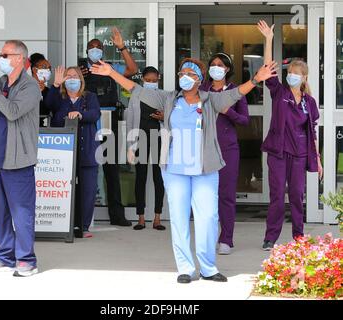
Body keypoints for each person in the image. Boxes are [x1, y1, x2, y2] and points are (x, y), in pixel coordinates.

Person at [90, 55, 277, 283]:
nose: (184, 78)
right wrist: (111, 73)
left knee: (208, 217)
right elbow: (136, 89)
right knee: (179, 219)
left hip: (205, 169)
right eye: (181, 74)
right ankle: (186, 269)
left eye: (189, 74)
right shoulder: (168, 99)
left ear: (199, 79)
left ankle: (208, 268)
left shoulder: (210, 100)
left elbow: (235, 94)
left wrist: (256, 78)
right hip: (175, 169)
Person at [0, 40, 40, 277]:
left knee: (22, 212)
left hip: (18, 161)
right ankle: (5, 255)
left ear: (20, 58)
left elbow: (12, 112)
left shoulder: (30, 87)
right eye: (0, 54)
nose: (0, 58)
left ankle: (26, 260)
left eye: (5, 54)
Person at [257, 20, 323, 251]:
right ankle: (270, 237)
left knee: (296, 195)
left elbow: (312, 130)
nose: (292, 76)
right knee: (277, 196)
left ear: (304, 77)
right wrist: (268, 40)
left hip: (299, 154)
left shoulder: (309, 102)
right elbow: (267, 69)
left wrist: (318, 159)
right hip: (278, 152)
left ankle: (299, 237)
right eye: (290, 72)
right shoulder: (279, 92)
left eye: (297, 74)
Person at [80, 27, 138, 227]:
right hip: (87, 120)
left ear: (103, 51)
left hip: (108, 117)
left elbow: (132, 70)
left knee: (111, 168)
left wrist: (121, 47)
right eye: (91, 48)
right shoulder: (80, 70)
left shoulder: (110, 68)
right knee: (86, 166)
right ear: (86, 51)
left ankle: (117, 214)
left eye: (98, 48)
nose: (95, 50)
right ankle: (82, 215)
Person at [200, 53, 250, 255]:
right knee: (205, 196)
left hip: (228, 149)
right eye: (212, 65)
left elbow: (245, 120)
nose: (215, 68)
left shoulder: (236, 91)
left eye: (220, 65)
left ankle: (226, 238)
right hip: (204, 148)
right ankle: (209, 237)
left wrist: (228, 111)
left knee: (226, 195)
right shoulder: (202, 89)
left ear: (227, 69)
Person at [45, 66, 101, 238]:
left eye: (75, 76)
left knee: (88, 189)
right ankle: (62, 225)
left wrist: (80, 113)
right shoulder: (58, 97)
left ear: (81, 80)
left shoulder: (89, 97)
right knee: (63, 189)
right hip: (63, 153)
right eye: (68, 76)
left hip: (87, 150)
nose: (71, 79)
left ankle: (84, 227)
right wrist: (55, 85)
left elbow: (95, 113)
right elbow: (47, 106)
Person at [126, 66, 165, 231]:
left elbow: (172, 118)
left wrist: (163, 117)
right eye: (148, 80)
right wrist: (130, 146)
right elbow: (129, 121)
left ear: (159, 79)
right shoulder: (136, 95)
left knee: (158, 178)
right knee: (140, 177)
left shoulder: (163, 96)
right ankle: (140, 218)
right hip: (140, 138)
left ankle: (157, 218)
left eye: (154, 80)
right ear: (142, 79)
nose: (151, 83)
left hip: (159, 139)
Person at [30, 53, 52, 127]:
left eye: (49, 68)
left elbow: (47, 111)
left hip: (42, 131)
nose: (48, 70)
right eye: (44, 67)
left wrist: (42, 91)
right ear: (34, 70)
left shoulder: (49, 91)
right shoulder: (24, 88)